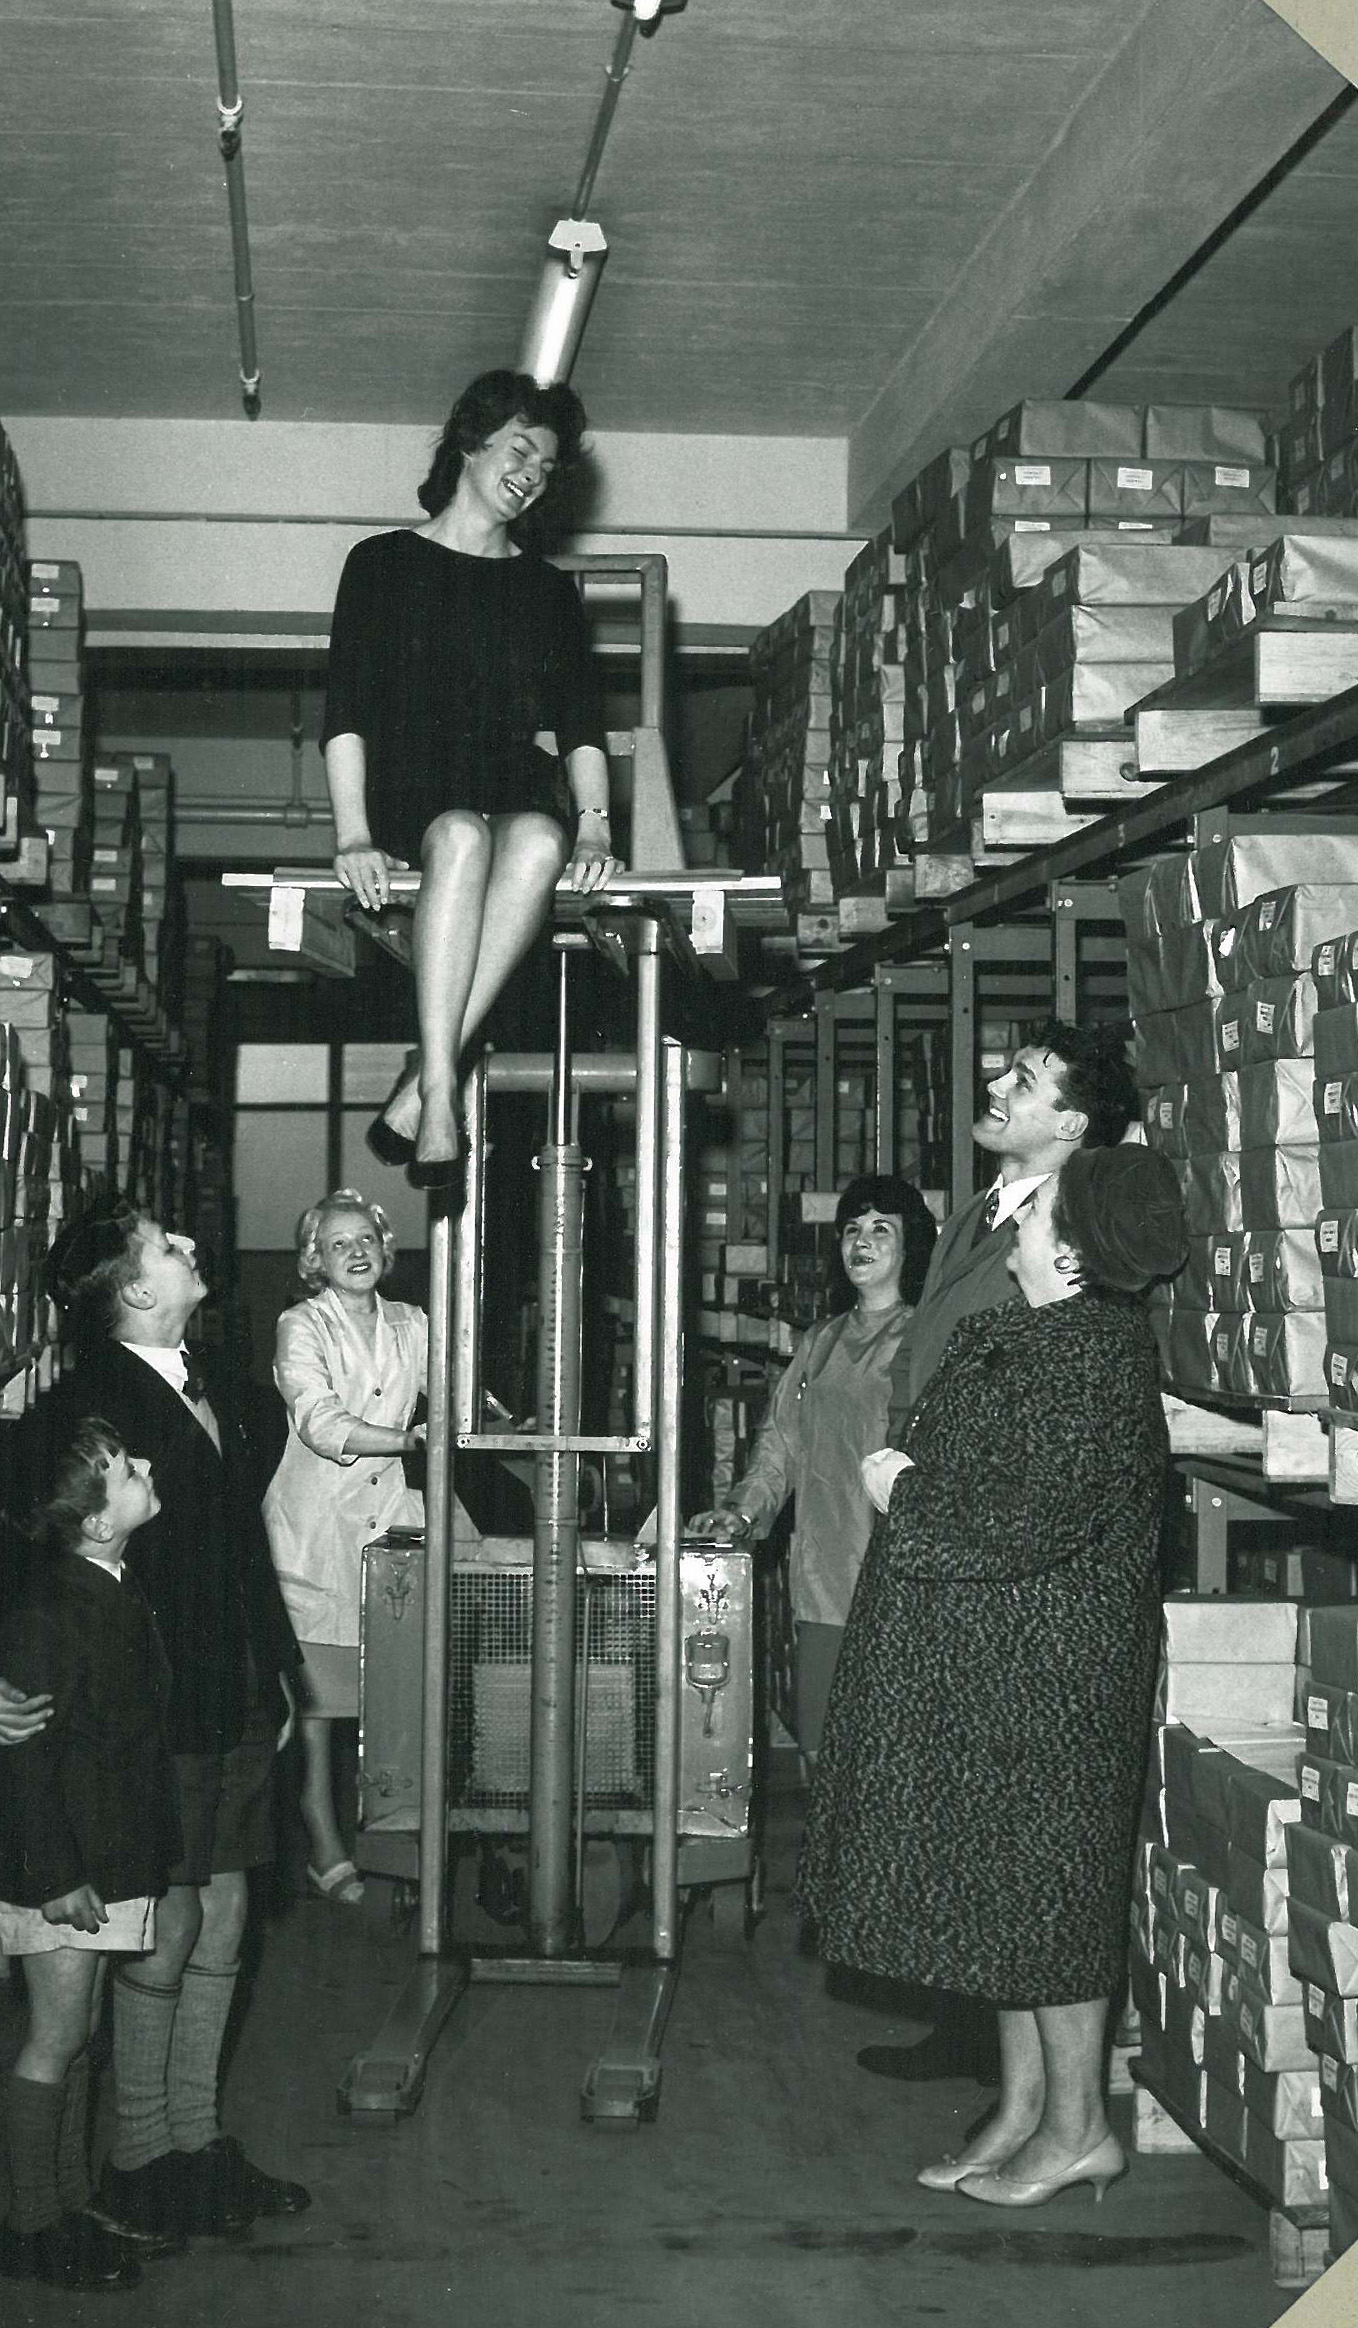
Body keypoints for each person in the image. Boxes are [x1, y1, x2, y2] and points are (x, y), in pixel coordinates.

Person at [798, 1147, 1187, 2208]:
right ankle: (1021, 2112)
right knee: (1009, 1905)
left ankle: (1075, 2131)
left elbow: (1027, 1520)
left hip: (1051, 1671)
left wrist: (904, 1489)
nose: (1009, 1219)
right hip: (1001, 1664)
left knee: (1050, 1911)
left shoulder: (1091, 1359)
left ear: (1066, 1252)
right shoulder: (1019, 1333)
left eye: (1032, 1212)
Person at [0, 1203, 308, 2248]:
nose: (191, 1247)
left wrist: (276, 1675)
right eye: (167, 1245)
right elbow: (12, 1556)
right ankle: (145, 2156)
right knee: (170, 1929)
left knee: (227, 1918)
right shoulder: (80, 1413)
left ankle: (192, 2142)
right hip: (157, 1711)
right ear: (137, 1290)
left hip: (235, 1695)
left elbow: (242, 1551)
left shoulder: (228, 1397)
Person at [858, 1019, 1139, 2086]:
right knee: (954, 1795)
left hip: (985, 1523)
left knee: (1007, 1817)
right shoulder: (981, 1211)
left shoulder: (1069, 1230)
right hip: (931, 1499)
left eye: (1021, 1082)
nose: (994, 1087)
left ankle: (1012, 2072)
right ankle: (980, 2034)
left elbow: (1040, 1412)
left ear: (1069, 1122)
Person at [322, 368, 621, 1187]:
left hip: (506, 776)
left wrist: (593, 822)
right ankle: (443, 1087)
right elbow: (345, 711)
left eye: (547, 467)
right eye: (520, 449)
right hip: (411, 785)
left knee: (537, 839)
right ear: (469, 441)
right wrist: (350, 833)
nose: (532, 474)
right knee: (457, 835)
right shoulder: (380, 564)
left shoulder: (546, 590)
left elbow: (580, 725)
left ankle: (427, 1077)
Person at [0, 1419, 172, 2293]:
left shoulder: (113, 1584)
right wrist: (57, 1876)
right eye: (128, 1468)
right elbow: (24, 1759)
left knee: (80, 2032)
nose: (146, 1467)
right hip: (63, 1869)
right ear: (98, 1520)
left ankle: (63, 2203)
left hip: (106, 1852)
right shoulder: (52, 1610)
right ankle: (32, 2224)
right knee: (54, 2037)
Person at [686, 1174, 935, 1762]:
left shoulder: (923, 1339)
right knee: (820, 1752)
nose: (862, 1243)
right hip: (823, 1585)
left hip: (899, 1587)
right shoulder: (820, 1341)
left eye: (881, 1230)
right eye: (852, 1230)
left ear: (909, 1247)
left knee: (891, 1758)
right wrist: (739, 1514)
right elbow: (780, 1449)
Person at [262, 1189, 427, 1901]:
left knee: (394, 1684)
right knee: (318, 1704)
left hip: (393, 1515)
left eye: (366, 1239)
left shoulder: (413, 1322)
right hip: (313, 1528)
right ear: (313, 1260)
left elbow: (457, 1390)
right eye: (337, 1244)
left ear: (386, 1249)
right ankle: (320, 1830)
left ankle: (391, 1828)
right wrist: (410, 1440)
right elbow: (319, 1421)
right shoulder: (300, 1324)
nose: (355, 1252)